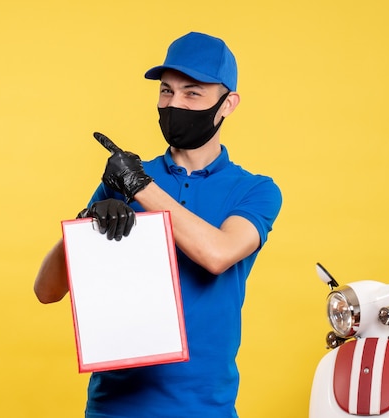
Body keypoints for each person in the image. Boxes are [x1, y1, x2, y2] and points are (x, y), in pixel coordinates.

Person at [34, 31, 282, 418]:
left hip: (204, 409)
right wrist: (83, 233)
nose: (174, 103)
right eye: (166, 92)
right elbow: (47, 291)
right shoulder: (122, 180)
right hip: (113, 407)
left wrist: (140, 187)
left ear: (227, 104)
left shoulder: (254, 190)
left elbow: (217, 254)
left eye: (192, 93)